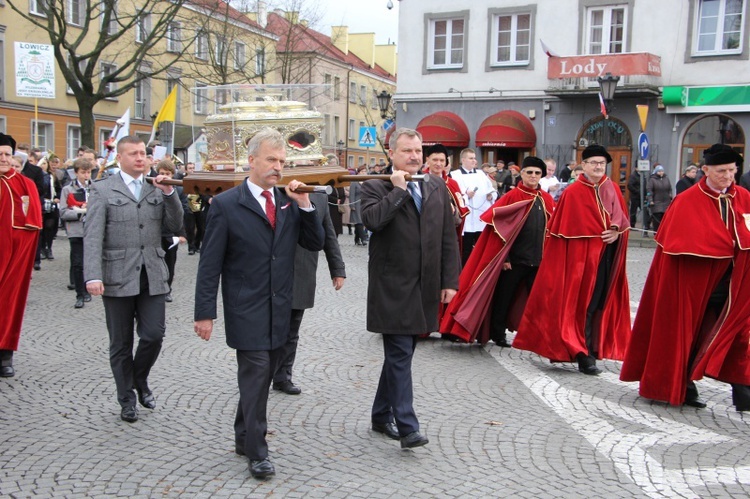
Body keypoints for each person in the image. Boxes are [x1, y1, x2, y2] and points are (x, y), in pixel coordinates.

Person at [193, 128, 324, 479]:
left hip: (280, 308)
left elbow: (314, 243)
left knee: (262, 378)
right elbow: (209, 265)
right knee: (254, 378)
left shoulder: (288, 201)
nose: (278, 167)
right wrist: (205, 313)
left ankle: (242, 435)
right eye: (271, 159)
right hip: (245, 308)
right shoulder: (225, 205)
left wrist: (305, 205)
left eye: (282, 161)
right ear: (251, 160)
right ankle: (258, 451)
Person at [621, 144, 750, 410]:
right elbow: (675, 247)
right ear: (705, 170)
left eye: (731, 171)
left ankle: (743, 392)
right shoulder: (688, 199)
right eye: (721, 171)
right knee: (686, 334)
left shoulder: (744, 197)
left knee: (738, 334)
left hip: (734, 283)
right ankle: (681, 385)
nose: (727, 176)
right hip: (695, 282)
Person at [360, 128, 460, 449]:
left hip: (425, 285)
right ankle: (407, 425)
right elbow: (373, 221)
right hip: (392, 285)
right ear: (392, 154)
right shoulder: (375, 186)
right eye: (407, 151)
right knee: (400, 352)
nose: (415, 157)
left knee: (401, 354)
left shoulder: (435, 186)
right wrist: (398, 191)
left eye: (418, 151)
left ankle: (380, 414)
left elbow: (447, 237)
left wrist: (449, 282)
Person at [84, 136, 183, 423]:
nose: (141, 158)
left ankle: (139, 379)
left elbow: (175, 226)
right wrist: (92, 275)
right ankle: (126, 398)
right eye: (134, 154)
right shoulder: (103, 190)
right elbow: (93, 236)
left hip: (152, 273)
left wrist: (168, 194)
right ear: (120, 158)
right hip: (117, 275)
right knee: (121, 343)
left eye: (144, 153)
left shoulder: (156, 188)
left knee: (153, 335)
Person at [513, 145, 631, 375]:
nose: (598, 166)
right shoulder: (573, 192)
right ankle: (583, 353)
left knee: (599, 301)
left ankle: (593, 346)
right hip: (580, 261)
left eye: (602, 163)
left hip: (606, 256)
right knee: (582, 305)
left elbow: (621, 219)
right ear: (583, 165)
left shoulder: (613, 188)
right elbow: (563, 234)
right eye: (593, 162)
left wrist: (617, 232)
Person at [440, 156, 554, 346]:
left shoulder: (546, 199)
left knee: (538, 301)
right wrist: (506, 257)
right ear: (522, 174)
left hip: (538, 260)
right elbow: (498, 226)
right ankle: (497, 333)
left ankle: (537, 336)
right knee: (503, 298)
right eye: (529, 172)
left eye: (537, 173)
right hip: (514, 261)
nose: (533, 176)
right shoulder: (511, 197)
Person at [272, 191, 345, 395]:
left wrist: (337, 269)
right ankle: (260, 373)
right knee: (268, 326)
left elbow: (328, 235)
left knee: (292, 330)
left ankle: (283, 376)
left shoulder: (319, 197)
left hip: (303, 270)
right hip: (272, 271)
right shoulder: (276, 190)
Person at [0, 133, 42, 377]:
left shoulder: (25, 184)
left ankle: (5, 353)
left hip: (14, 257)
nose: (4, 159)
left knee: (8, 303)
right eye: (0, 155)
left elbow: (32, 225)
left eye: (7, 155)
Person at [450, 148, 497, 265]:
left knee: (481, 248)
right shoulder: (455, 175)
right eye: (471, 158)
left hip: (480, 218)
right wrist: (466, 195)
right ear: (463, 160)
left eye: (475, 158)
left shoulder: (481, 174)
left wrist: (491, 195)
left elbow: (492, 190)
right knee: (466, 250)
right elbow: (454, 195)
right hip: (467, 218)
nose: (474, 161)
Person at [422, 144, 468, 252]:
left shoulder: (452, 183)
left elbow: (460, 215)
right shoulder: (419, 180)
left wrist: (453, 211)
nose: (439, 164)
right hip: (424, 234)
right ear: (428, 160)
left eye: (442, 160)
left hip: (446, 234)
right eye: (435, 160)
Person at [60, 158, 93, 309]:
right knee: (78, 263)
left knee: (90, 262)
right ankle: (79, 293)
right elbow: (63, 212)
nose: (86, 175)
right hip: (76, 231)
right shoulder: (68, 189)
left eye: (88, 172)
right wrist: (79, 213)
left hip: (92, 230)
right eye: (83, 172)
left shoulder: (94, 188)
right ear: (76, 173)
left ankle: (88, 289)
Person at [155, 160, 187, 303]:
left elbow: (183, 212)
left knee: (170, 263)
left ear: (172, 174)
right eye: (162, 173)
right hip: (156, 233)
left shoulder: (179, 190)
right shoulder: (154, 188)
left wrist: (182, 234)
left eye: (167, 174)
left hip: (171, 234)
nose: (165, 176)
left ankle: (168, 289)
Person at [646, 164, 673, 232]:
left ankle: (664, 233)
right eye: (659, 171)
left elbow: (670, 188)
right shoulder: (652, 180)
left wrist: (670, 195)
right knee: (657, 219)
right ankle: (656, 233)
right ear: (656, 172)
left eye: (662, 171)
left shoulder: (666, 178)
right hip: (656, 202)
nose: (661, 173)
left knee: (665, 218)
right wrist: (650, 200)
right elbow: (649, 190)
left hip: (666, 202)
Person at [348, 165, 369, 246]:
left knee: (361, 222)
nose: (364, 173)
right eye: (362, 171)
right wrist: (351, 205)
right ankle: (363, 238)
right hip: (356, 204)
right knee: (359, 222)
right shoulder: (355, 181)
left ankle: (357, 238)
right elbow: (351, 194)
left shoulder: (367, 181)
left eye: (365, 171)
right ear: (359, 172)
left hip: (365, 204)